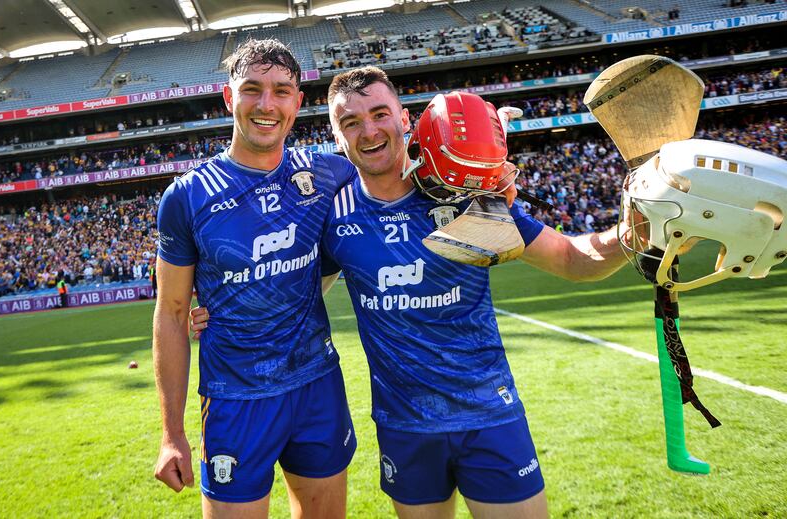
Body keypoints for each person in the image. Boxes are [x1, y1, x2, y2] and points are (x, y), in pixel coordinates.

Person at [193, 66, 631, 518]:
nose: (369, 130)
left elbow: (572, 259)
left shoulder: (464, 197)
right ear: (336, 137)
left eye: (380, 114)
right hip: (405, 427)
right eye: (351, 122)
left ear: (405, 119)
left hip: (490, 416)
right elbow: (297, 290)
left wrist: (636, 230)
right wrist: (219, 311)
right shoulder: (334, 216)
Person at [153, 38, 359, 518]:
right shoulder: (187, 197)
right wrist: (171, 433)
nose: (267, 105)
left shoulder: (330, 175)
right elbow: (172, 311)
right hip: (235, 400)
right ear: (229, 98)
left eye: (282, 90)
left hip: (317, 387)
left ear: (297, 103)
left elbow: (396, 176)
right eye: (252, 89)